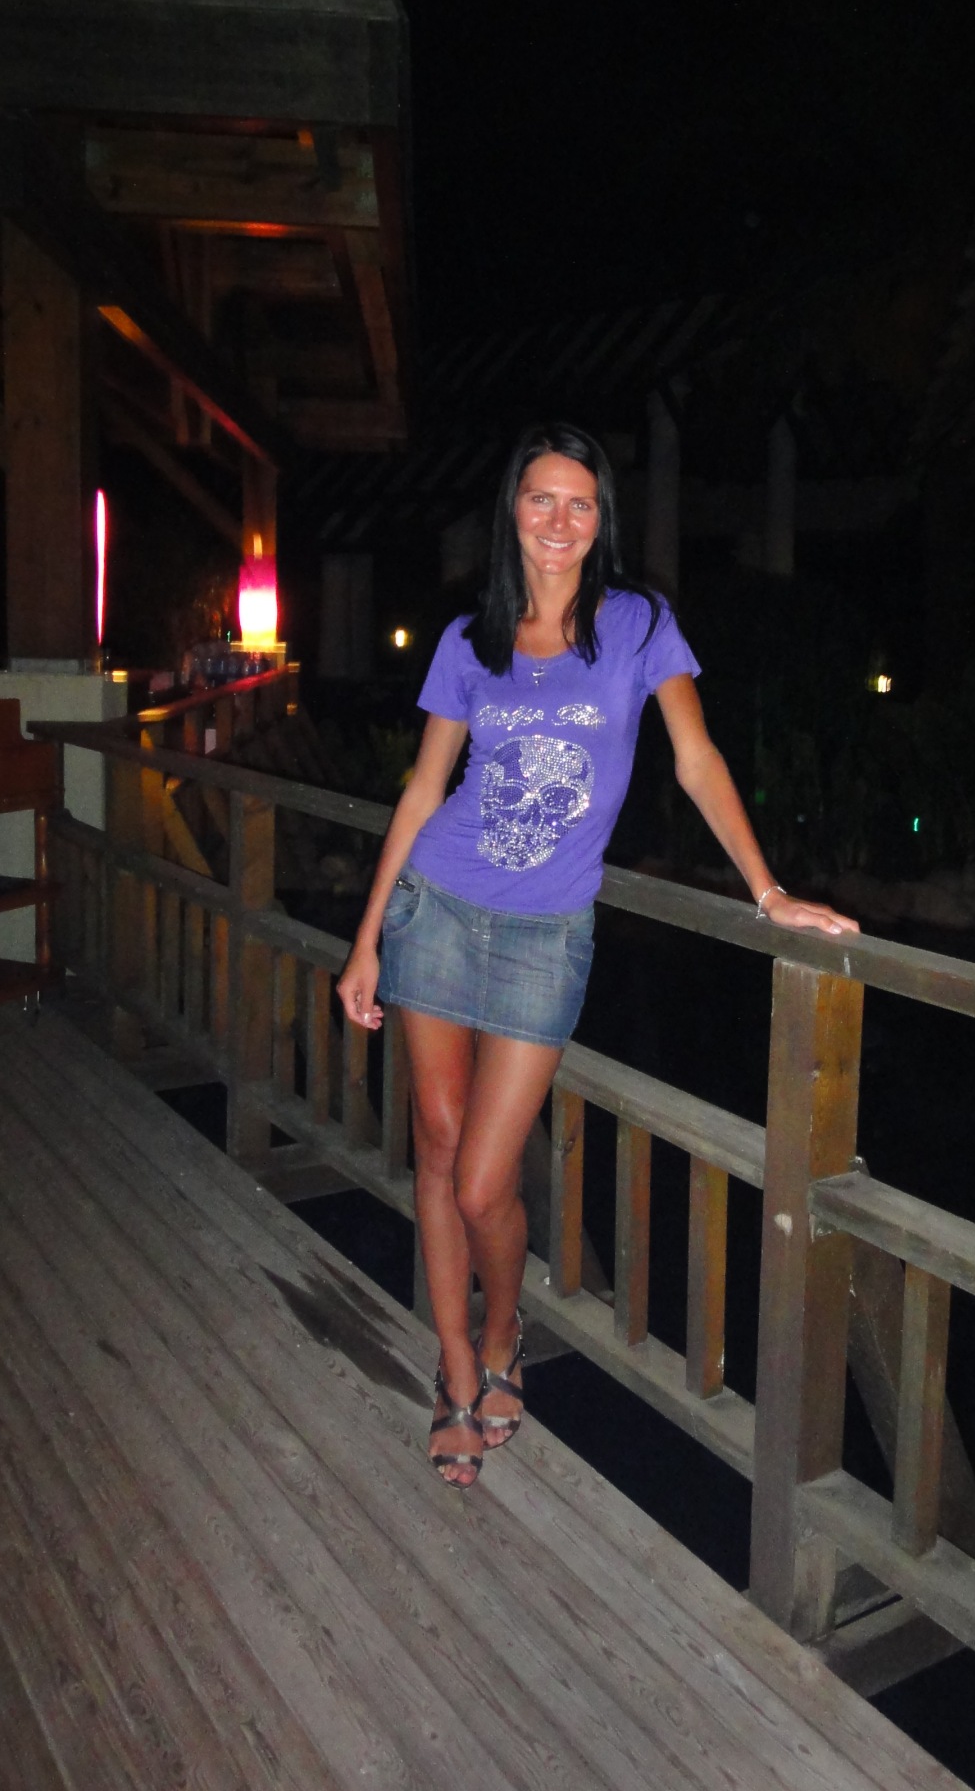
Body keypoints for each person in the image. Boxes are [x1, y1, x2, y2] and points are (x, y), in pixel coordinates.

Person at [337, 423, 858, 1488]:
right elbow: (424, 790)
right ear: (513, 509)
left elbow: (696, 757)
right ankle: (454, 1365)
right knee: (435, 1148)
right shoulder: (469, 639)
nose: (560, 519)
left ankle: (503, 1330)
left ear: (600, 519)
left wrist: (767, 892)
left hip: (546, 933)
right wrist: (364, 940)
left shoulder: (637, 625)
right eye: (541, 497)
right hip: (436, 910)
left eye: (580, 503)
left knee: (485, 1179)